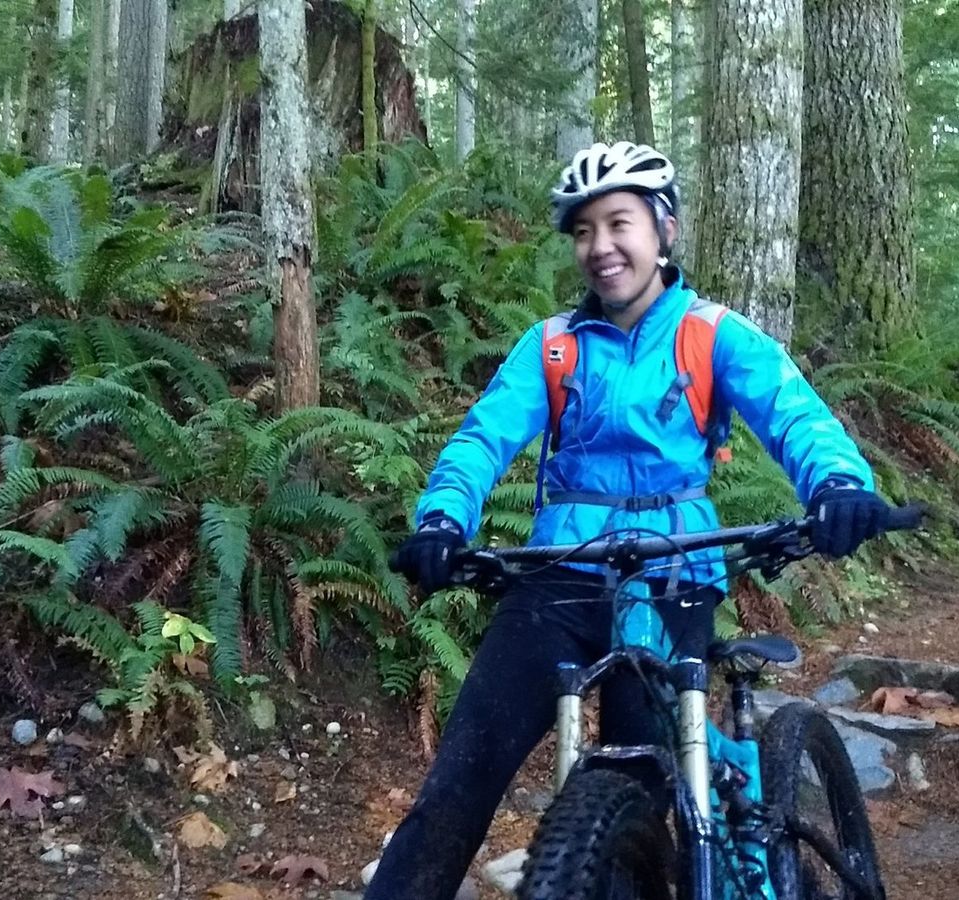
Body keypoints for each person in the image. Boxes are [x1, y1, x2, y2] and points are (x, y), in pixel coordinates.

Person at [368, 141, 889, 899]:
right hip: (560, 575)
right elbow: (483, 438)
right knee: (460, 781)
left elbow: (793, 413)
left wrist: (838, 484)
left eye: (619, 223)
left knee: (643, 790)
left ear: (663, 230)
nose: (601, 246)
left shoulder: (712, 333)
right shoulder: (553, 345)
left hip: (675, 571)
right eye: (583, 231)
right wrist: (444, 520)